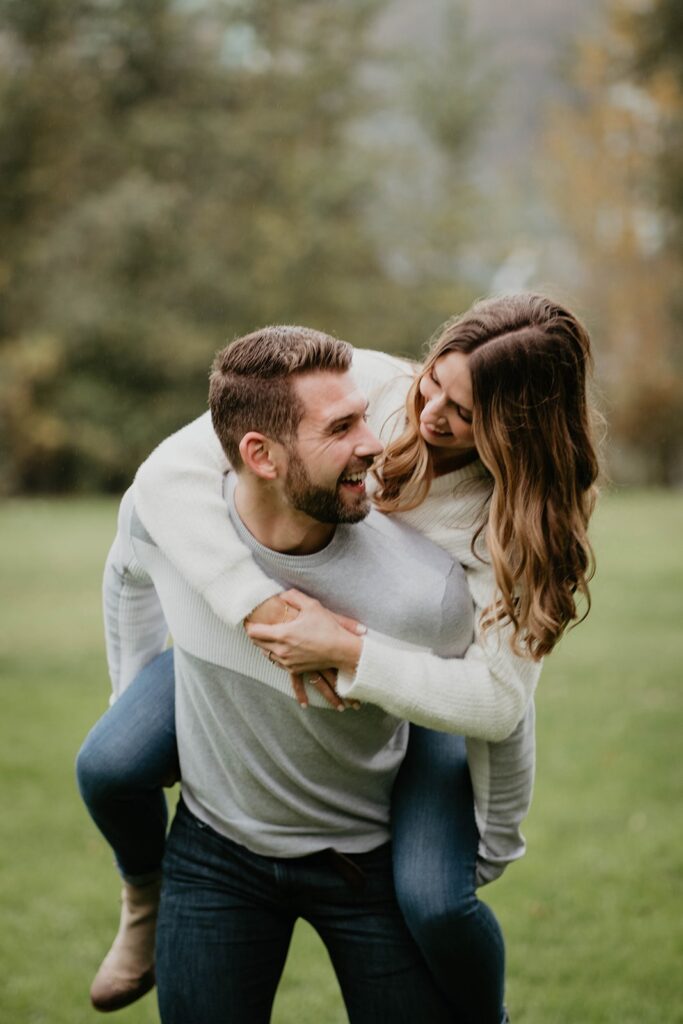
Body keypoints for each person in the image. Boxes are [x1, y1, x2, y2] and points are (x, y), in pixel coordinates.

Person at [78, 293, 598, 1023]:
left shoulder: (506, 526)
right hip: (251, 644)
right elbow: (166, 478)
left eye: (465, 413)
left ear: (517, 431)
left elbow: (498, 701)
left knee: (434, 899)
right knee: (107, 765)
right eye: (433, 384)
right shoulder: (369, 388)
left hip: (412, 690)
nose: (428, 417)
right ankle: (144, 901)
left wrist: (348, 650)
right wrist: (259, 609)